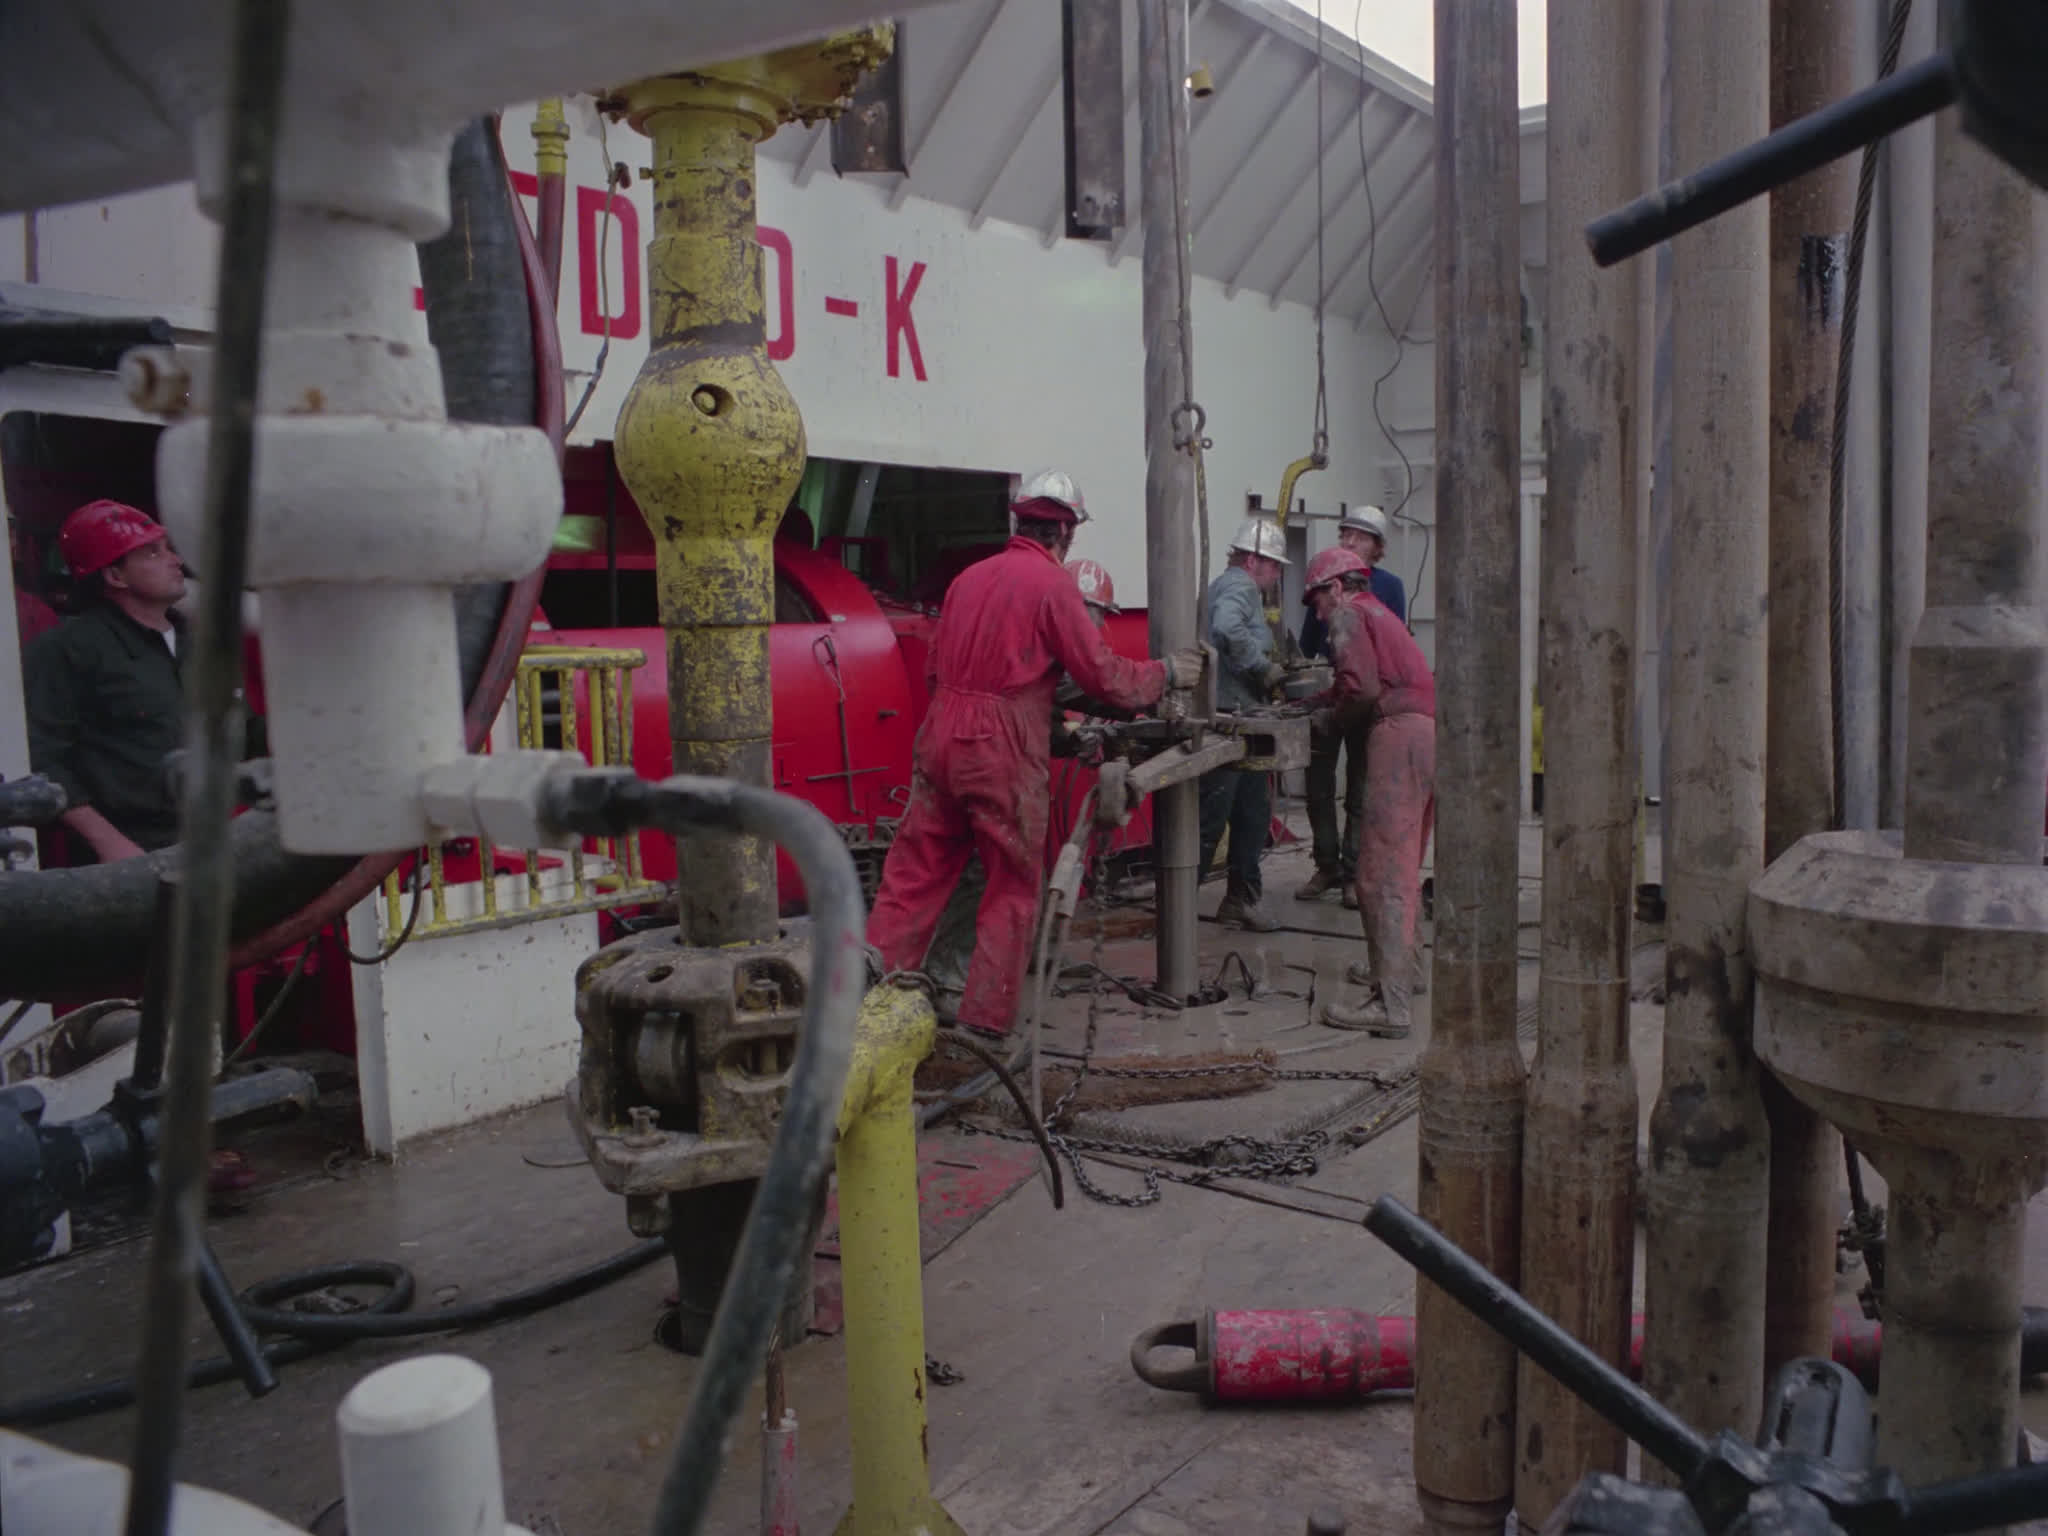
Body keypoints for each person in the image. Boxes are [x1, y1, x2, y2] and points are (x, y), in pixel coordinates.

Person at [868, 470, 1202, 1040]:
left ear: (1020, 522)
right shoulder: (1052, 587)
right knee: (1011, 883)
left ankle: (866, 1003)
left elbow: (934, 669)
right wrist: (1165, 674)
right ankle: (984, 1027)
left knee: (912, 876)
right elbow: (1104, 677)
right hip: (1000, 749)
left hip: (941, 733)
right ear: (1066, 533)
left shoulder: (968, 579)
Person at [1299, 547, 1436, 1038]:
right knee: (1404, 863)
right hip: (1428, 734)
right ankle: (1405, 973)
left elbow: (1358, 691)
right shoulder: (1380, 614)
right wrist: (1313, 702)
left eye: (1317, 600)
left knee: (1378, 874)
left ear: (1337, 587)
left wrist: (1327, 723)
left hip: (1398, 735)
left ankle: (1391, 1004)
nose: (1317, 613)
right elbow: (1354, 685)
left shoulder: (1349, 615)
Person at [25, 500, 193, 864]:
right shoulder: (68, 650)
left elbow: (244, 732)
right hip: (130, 855)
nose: (175, 561)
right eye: (152, 553)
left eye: (169, 549)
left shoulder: (202, 643)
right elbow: (44, 758)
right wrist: (109, 844)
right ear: (115, 576)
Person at [1296, 504, 1406, 906]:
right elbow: (1309, 645)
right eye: (1344, 534)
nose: (1347, 540)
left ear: (1377, 546)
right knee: (1317, 786)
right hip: (1328, 689)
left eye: (1358, 536)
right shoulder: (1324, 582)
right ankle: (1326, 865)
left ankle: (1351, 872)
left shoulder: (1389, 587)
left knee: (1360, 788)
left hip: (1366, 697)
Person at [1198, 516, 1291, 932]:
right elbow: (1225, 627)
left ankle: (1240, 899)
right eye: (1275, 566)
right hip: (1227, 723)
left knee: (1251, 814)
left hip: (1241, 722)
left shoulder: (1225, 585)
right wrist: (1261, 667)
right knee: (1211, 820)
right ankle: (1178, 909)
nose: (1277, 575)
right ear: (1254, 560)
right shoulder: (1241, 585)